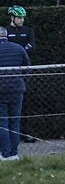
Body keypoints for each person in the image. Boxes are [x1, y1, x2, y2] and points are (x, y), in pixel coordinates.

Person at [0, 27, 30, 161]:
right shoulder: (18, 48)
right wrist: (21, 81)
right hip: (17, 88)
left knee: (2, 122)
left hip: (1, 89)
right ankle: (14, 153)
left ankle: (5, 153)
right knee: (15, 121)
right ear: (6, 36)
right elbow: (27, 67)